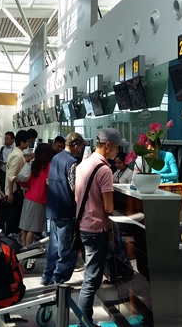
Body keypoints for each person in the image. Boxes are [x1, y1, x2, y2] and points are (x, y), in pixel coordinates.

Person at [74, 128, 128, 325]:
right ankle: (84, 321)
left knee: (91, 276)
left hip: (83, 226)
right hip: (96, 229)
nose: (117, 152)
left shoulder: (82, 165)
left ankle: (84, 318)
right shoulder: (104, 170)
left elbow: (76, 197)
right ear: (108, 145)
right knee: (91, 279)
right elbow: (109, 207)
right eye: (117, 147)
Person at [41, 132, 84, 286]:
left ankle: (47, 276)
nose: (80, 151)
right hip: (66, 210)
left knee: (54, 247)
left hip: (53, 209)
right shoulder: (72, 162)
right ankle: (57, 281)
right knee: (67, 250)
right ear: (76, 146)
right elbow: (74, 187)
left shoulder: (55, 158)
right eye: (80, 147)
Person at [18, 143, 52, 247]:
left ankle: (23, 248)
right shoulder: (49, 166)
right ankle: (28, 250)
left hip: (28, 197)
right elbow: (49, 183)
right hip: (39, 200)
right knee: (32, 229)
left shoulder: (33, 165)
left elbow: (25, 181)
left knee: (24, 228)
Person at [0, 130, 31, 235]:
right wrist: (11, 195)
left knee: (14, 217)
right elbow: (11, 176)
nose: (28, 144)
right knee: (13, 218)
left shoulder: (17, 153)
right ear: (22, 142)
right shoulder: (18, 156)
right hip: (14, 190)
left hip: (14, 190)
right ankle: (10, 239)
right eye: (27, 142)